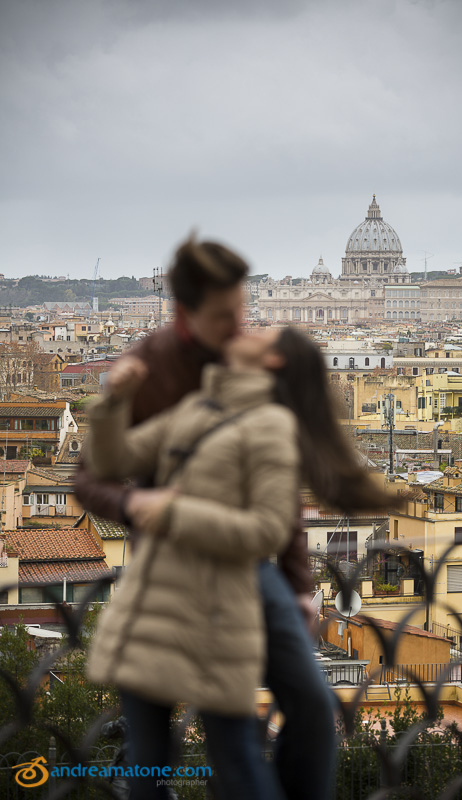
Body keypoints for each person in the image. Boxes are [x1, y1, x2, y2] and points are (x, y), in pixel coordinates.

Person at [75, 237, 336, 800]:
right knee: (174, 744)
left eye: (245, 313)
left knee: (309, 707)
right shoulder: (149, 364)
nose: (241, 327)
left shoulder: (244, 371)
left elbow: (276, 487)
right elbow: (95, 471)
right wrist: (135, 505)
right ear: (183, 315)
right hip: (167, 559)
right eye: (227, 317)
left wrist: (299, 584)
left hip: (244, 557)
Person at [84, 325, 392, 800]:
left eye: (262, 333)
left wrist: (169, 511)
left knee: (225, 751)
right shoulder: (198, 406)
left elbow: (270, 525)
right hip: (162, 590)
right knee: (167, 753)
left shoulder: (268, 425)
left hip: (213, 595)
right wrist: (112, 404)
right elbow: (114, 458)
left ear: (270, 362)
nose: (245, 326)